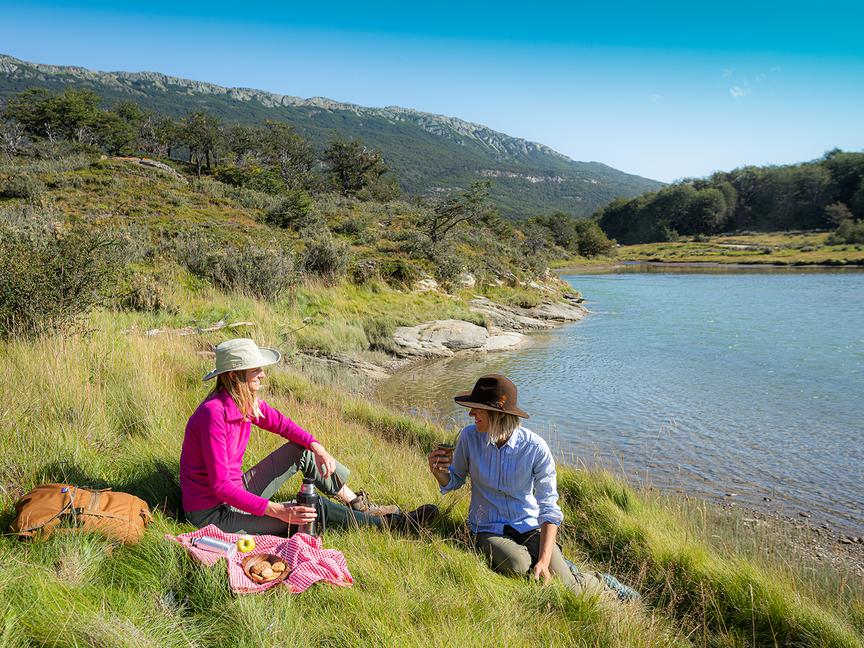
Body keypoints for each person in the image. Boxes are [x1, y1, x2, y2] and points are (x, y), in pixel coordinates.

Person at [181, 338, 436, 535]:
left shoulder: (245, 402)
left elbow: (282, 424)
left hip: (236, 491)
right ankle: (391, 526)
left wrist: (317, 446)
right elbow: (220, 486)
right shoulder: (213, 413)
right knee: (311, 509)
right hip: (213, 514)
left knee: (302, 450)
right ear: (233, 376)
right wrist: (278, 510)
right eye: (255, 369)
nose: (263, 374)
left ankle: (357, 504)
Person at [428, 374, 626, 598]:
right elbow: (454, 481)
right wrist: (438, 473)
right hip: (487, 528)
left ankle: (600, 581)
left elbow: (549, 508)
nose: (471, 414)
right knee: (518, 564)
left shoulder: (535, 447)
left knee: (568, 586)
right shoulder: (468, 437)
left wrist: (543, 559)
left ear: (497, 414)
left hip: (528, 526)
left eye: (477, 409)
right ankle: (552, 561)